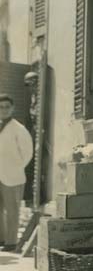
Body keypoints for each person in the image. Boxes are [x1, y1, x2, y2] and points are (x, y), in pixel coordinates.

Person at [0, 94, 33, 251]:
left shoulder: (19, 129)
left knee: (12, 210)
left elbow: (27, 153)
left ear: (12, 108)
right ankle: (1, 238)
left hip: (13, 176)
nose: (4, 110)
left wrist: (15, 167)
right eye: (1, 107)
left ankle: (11, 242)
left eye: (7, 107)